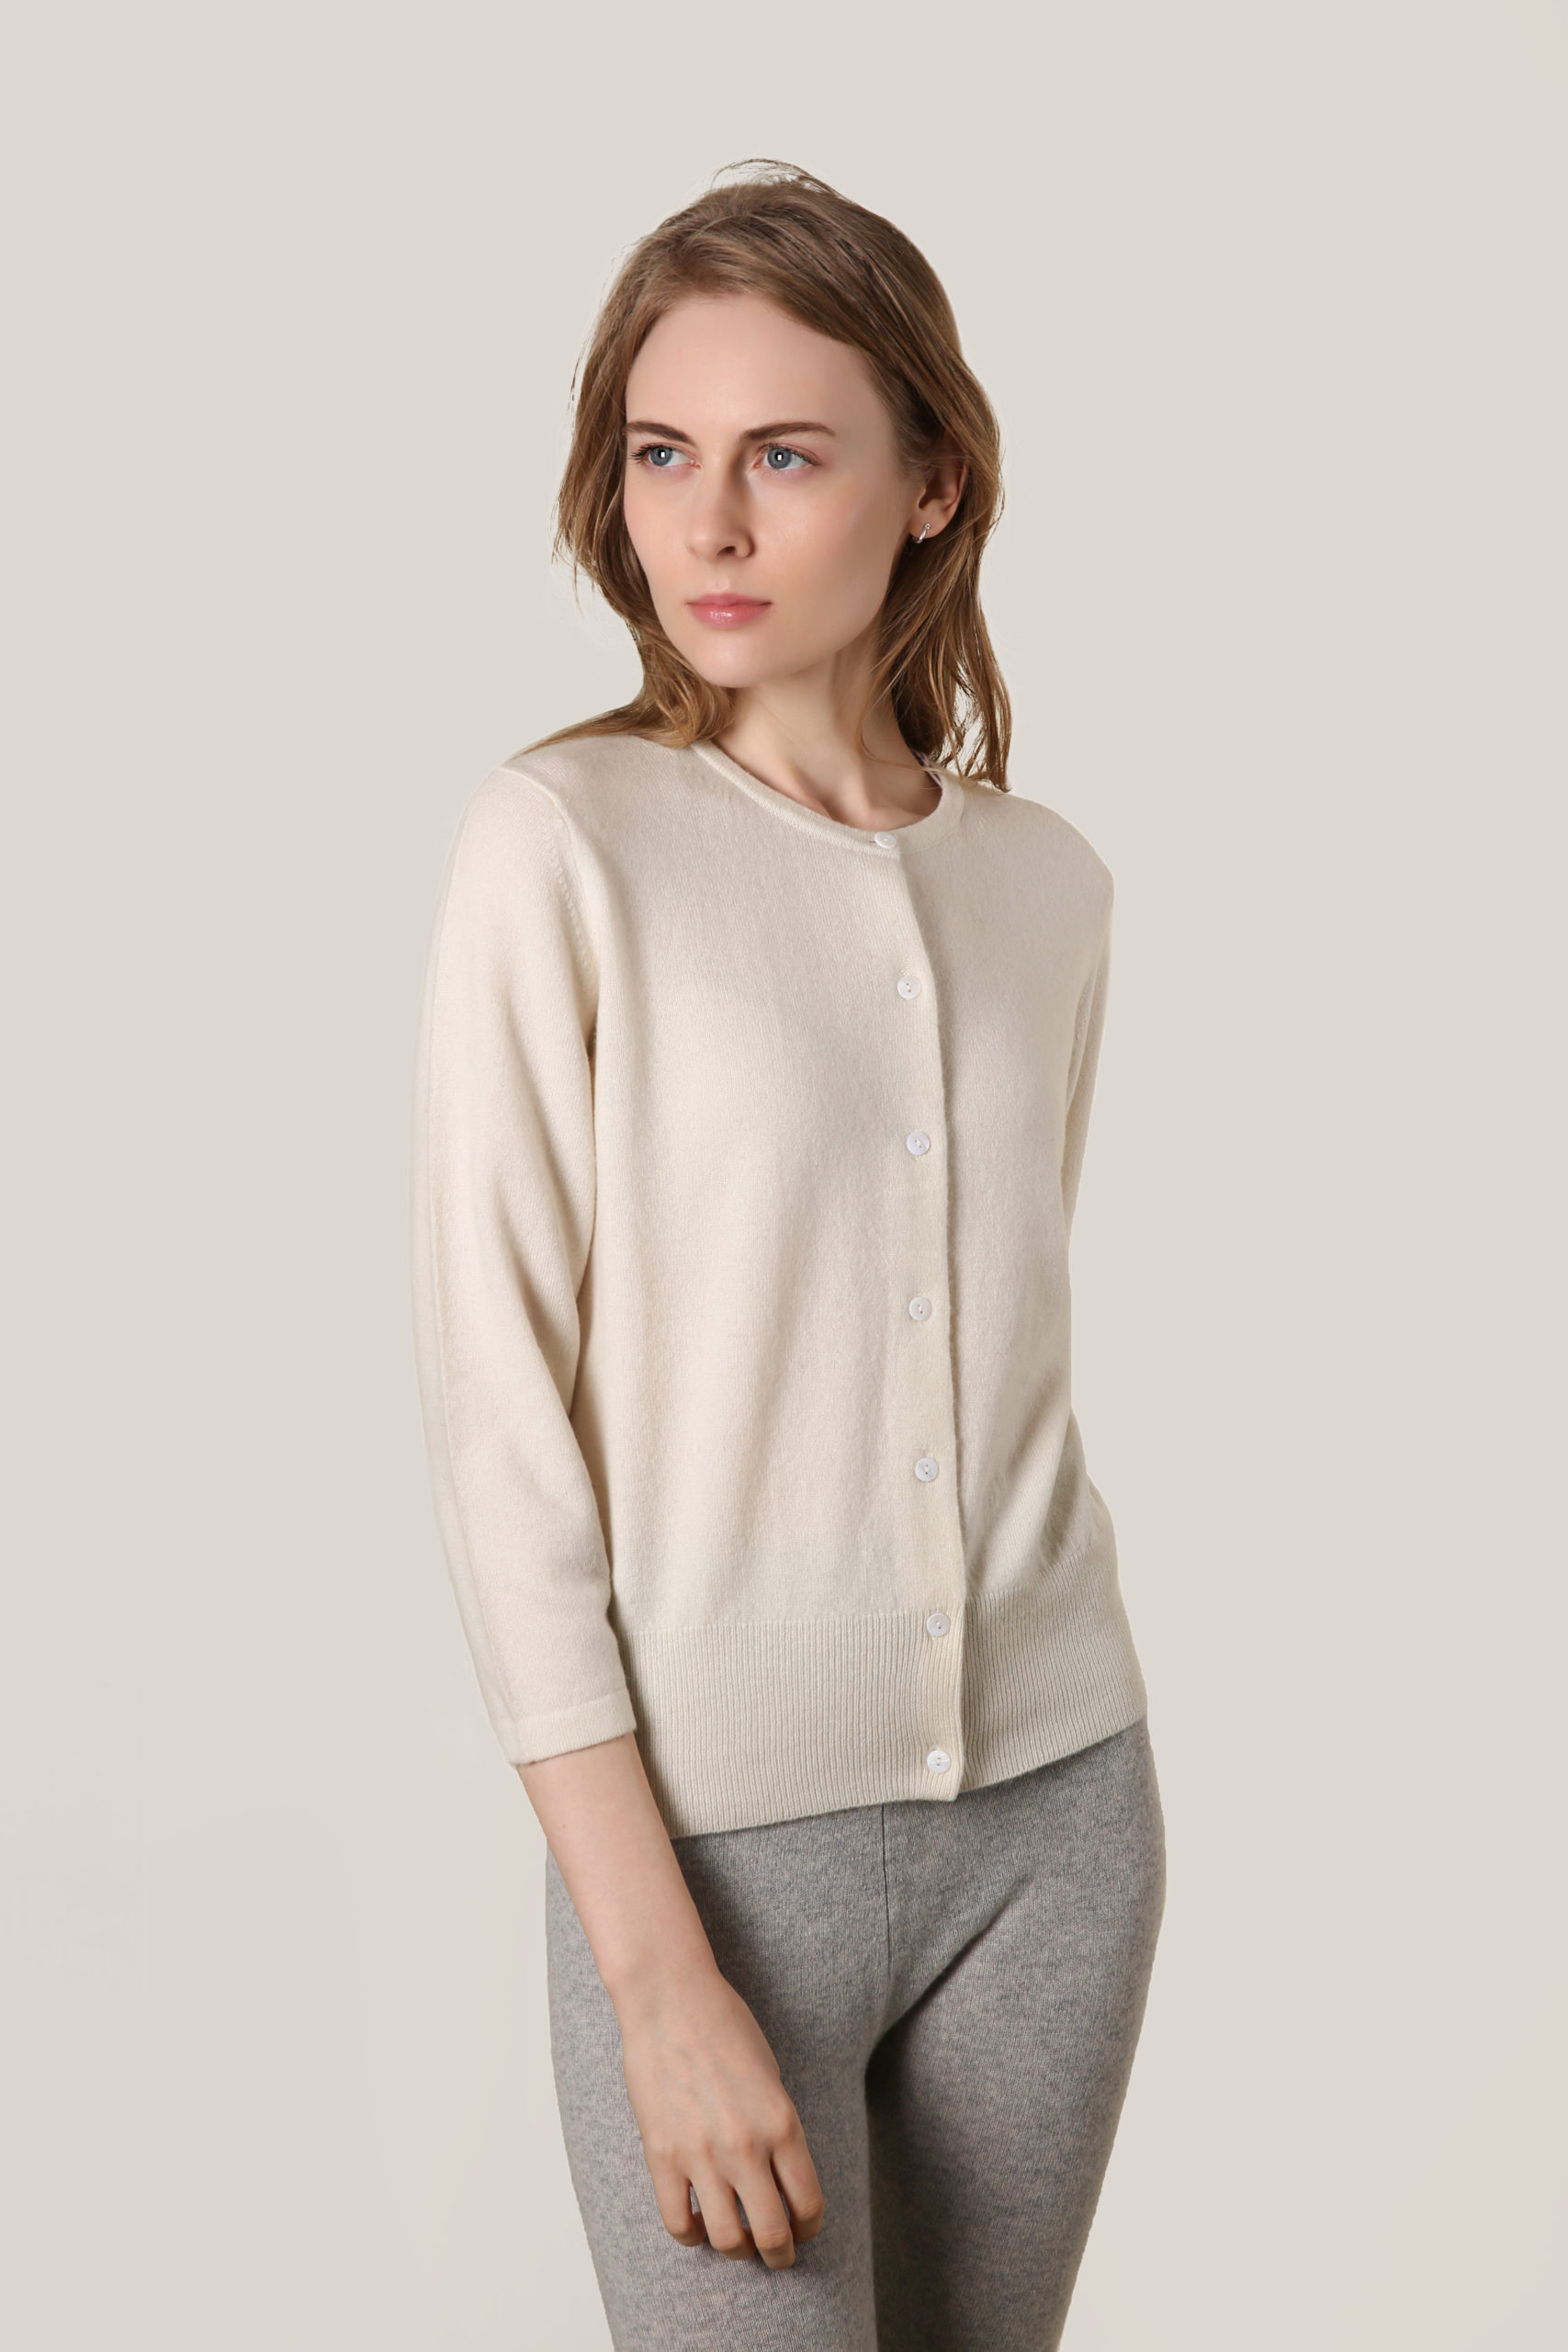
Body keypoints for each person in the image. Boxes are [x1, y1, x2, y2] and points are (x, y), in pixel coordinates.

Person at [411, 159, 1166, 2352]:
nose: (707, 525)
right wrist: (653, 1970)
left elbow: (987, 1338)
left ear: (931, 483)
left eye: (783, 456)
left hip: (1060, 1817)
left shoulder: (1047, 888)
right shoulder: (563, 847)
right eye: (662, 455)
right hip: (714, 1857)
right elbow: (500, 1437)